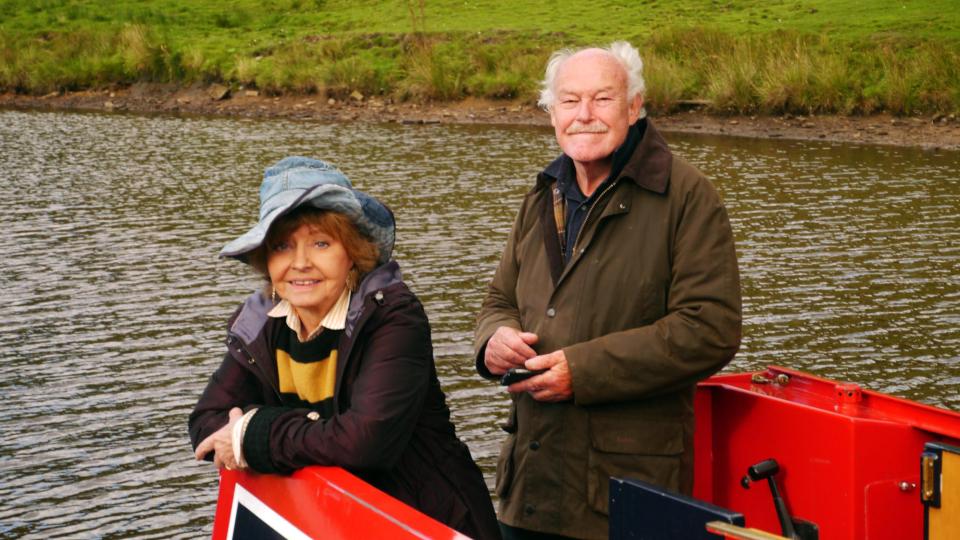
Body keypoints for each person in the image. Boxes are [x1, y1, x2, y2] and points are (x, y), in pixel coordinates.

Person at [474, 42, 742, 539]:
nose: (585, 115)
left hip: (622, 499)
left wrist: (582, 370)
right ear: (552, 113)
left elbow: (710, 328)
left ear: (634, 107)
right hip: (529, 489)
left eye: (603, 99)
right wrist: (494, 339)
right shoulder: (541, 195)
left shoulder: (688, 197)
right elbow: (499, 301)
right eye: (570, 101)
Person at [190, 156, 500, 539]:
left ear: (352, 252)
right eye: (283, 246)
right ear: (266, 258)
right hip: (326, 521)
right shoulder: (259, 323)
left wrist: (251, 434)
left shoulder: (394, 317)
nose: (300, 263)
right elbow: (206, 422)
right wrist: (300, 434)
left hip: (425, 521)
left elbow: (365, 443)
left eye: (321, 243)